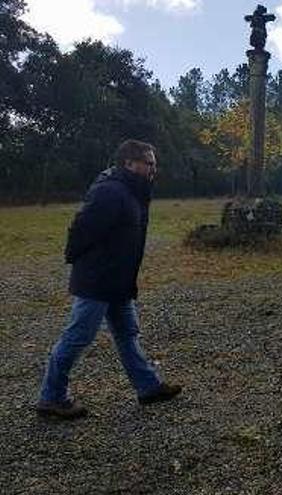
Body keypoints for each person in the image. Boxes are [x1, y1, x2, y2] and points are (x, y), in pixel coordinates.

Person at [35, 139, 181, 419]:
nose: (153, 169)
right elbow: (81, 229)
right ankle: (51, 397)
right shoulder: (111, 191)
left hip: (118, 281)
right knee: (78, 337)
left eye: (154, 164)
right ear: (129, 163)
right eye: (148, 163)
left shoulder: (133, 190)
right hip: (98, 280)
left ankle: (148, 387)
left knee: (127, 334)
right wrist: (78, 261)